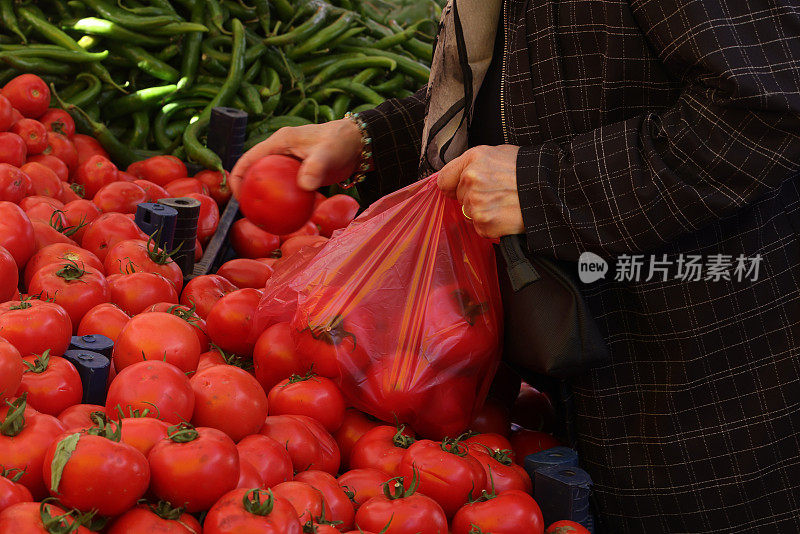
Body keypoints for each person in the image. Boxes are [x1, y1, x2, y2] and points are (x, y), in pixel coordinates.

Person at [231, 0, 800, 531]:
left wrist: (544, 187)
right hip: (583, 353)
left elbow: (769, 104)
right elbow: (534, 91)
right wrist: (367, 139)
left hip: (697, 367)